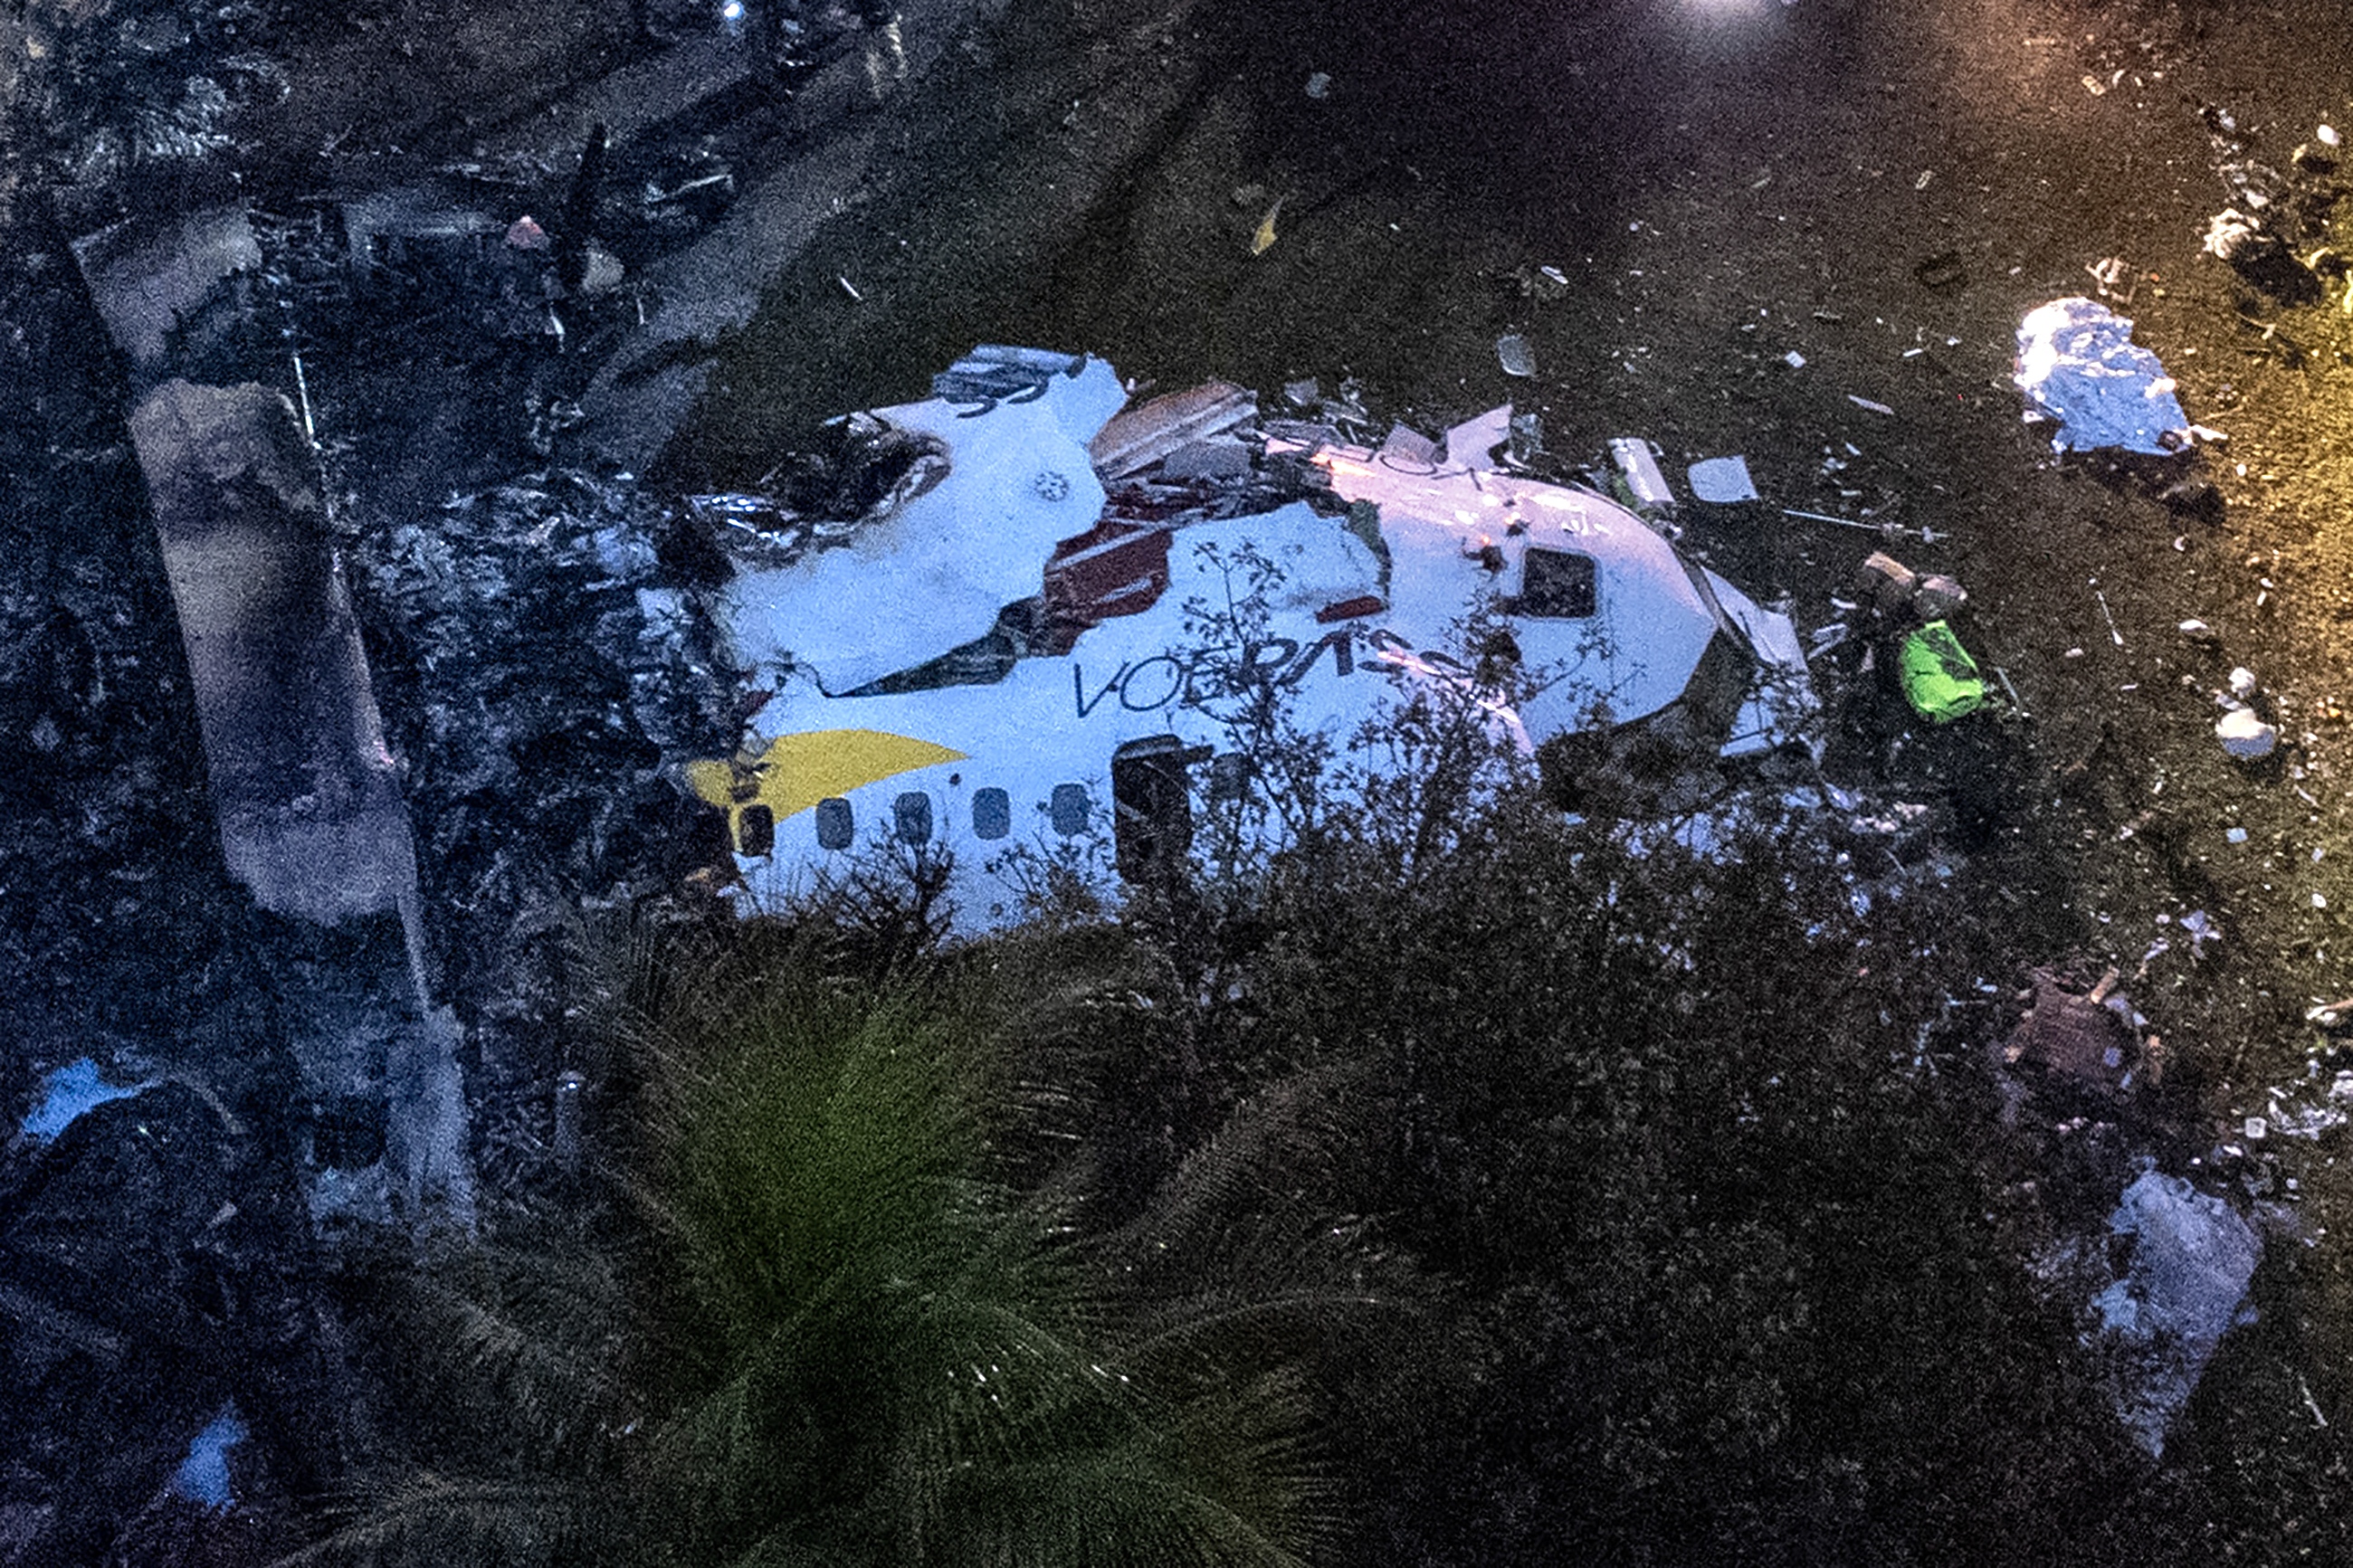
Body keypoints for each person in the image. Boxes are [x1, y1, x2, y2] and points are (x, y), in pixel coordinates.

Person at [856, 0, 906, 100]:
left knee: (893, 55)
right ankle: (880, 92)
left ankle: (896, 83)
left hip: (883, 22)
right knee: (872, 62)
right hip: (871, 25)